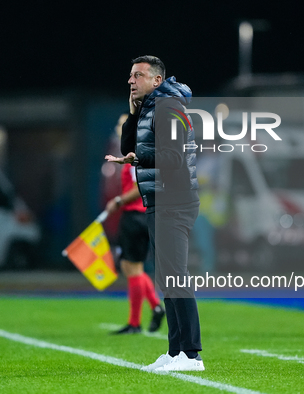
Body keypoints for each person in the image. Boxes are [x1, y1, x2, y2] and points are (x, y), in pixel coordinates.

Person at [105, 55, 204, 371]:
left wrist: (138, 159)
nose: (131, 81)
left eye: (138, 75)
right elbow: (128, 147)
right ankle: (175, 352)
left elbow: (172, 157)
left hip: (174, 201)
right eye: (130, 76)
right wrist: (133, 114)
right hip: (159, 201)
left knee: (176, 276)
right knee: (167, 279)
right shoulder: (150, 109)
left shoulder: (169, 109)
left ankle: (191, 354)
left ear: (157, 80)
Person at [105, 115, 165, 334]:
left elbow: (140, 185)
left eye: (122, 125)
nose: (120, 129)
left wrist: (119, 201)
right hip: (143, 214)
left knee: (132, 268)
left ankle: (135, 322)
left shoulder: (137, 154)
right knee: (134, 267)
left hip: (135, 215)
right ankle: (155, 308)